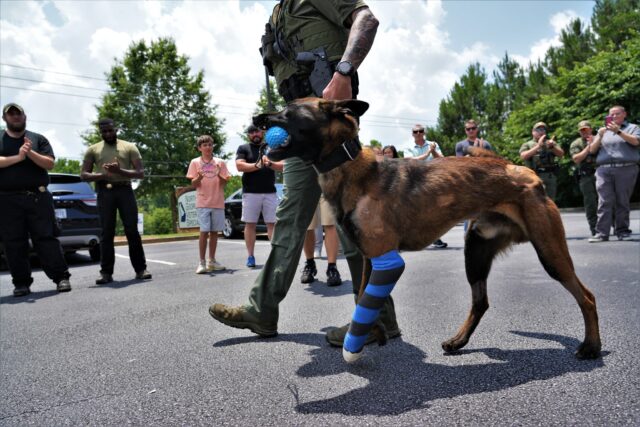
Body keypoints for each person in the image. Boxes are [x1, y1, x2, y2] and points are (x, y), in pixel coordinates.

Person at [209, 1, 400, 348]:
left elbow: (367, 19)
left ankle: (375, 318)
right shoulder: (278, 15)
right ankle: (261, 310)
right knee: (290, 217)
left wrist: (343, 71)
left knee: (353, 221)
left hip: (329, 129)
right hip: (298, 135)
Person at [0, 103, 72, 296]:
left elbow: (49, 163)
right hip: (8, 200)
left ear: (25, 117)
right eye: (11, 114)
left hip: (38, 197)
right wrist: (19, 156)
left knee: (46, 238)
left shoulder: (37, 139)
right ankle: (21, 283)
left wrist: (30, 152)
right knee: (14, 242)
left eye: (19, 113)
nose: (15, 117)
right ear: (4, 118)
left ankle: (61, 278)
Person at [81, 118, 152, 284]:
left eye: (110, 130)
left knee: (132, 231)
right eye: (104, 131)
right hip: (104, 192)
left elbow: (140, 173)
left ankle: (141, 269)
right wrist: (103, 175)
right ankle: (106, 273)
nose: (108, 134)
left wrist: (119, 170)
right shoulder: (93, 149)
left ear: (116, 129)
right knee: (107, 233)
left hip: (125, 190)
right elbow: (84, 175)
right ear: (100, 132)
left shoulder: (129, 147)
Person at [587, 105, 640, 242]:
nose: (614, 117)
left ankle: (622, 231)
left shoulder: (632, 128)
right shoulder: (603, 130)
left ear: (624, 114)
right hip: (604, 169)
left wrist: (619, 132)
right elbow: (592, 150)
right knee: (604, 201)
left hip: (626, 168)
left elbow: (635, 142)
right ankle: (601, 233)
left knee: (622, 201)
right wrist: (599, 135)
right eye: (611, 114)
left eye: (617, 114)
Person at [235, 125, 283, 268]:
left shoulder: (272, 147)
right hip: (250, 193)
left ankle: (275, 256)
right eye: (251, 132)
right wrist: (258, 165)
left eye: (257, 131)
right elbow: (239, 166)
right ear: (249, 135)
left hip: (270, 192)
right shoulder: (243, 148)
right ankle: (250, 256)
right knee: (250, 225)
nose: (255, 134)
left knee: (272, 224)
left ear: (262, 132)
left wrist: (271, 163)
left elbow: (283, 165)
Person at [187, 135, 232, 273]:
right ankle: (201, 262)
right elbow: (194, 184)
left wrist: (219, 174)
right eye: (204, 145)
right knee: (204, 231)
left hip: (217, 201)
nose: (208, 147)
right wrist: (199, 177)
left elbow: (224, 183)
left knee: (214, 232)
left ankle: (211, 261)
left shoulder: (220, 162)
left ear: (213, 146)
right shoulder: (195, 162)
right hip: (203, 202)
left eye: (210, 144)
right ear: (199, 148)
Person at [406, 124, 448, 249]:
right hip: (415, 183)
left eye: (421, 131)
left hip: (432, 181)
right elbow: (410, 162)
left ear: (424, 132)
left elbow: (442, 160)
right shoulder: (408, 147)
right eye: (416, 131)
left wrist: (433, 151)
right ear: (412, 134)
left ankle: (435, 238)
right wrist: (428, 153)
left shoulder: (432, 144)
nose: (418, 133)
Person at [301, 196, 343, 287]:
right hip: (307, 184)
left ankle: (332, 267)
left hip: (328, 183)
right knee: (308, 226)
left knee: (330, 223)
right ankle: (310, 264)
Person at [519, 121, 564, 201]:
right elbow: (523, 156)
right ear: (533, 132)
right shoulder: (528, 144)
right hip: (535, 176)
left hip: (550, 176)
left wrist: (552, 147)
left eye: (543, 130)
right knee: (536, 201)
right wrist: (538, 146)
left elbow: (561, 154)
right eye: (538, 130)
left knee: (550, 202)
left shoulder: (550, 143)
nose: (541, 131)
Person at [570, 120, 598, 237]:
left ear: (591, 129)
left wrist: (594, 142)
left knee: (608, 200)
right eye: (582, 130)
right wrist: (588, 147)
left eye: (586, 129)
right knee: (590, 203)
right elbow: (577, 159)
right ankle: (595, 228)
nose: (584, 132)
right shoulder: (576, 143)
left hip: (602, 173)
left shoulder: (599, 139)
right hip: (586, 176)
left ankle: (615, 225)